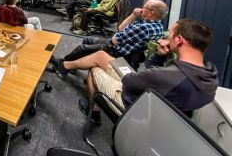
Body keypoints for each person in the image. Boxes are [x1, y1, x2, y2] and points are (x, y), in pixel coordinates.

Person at [66, 19, 218, 125]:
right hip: (159, 115)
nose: (167, 37)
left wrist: (155, 58)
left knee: (94, 69)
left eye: (170, 34)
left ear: (179, 39)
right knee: (101, 56)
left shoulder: (169, 76)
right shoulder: (210, 75)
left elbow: (129, 81)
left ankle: (94, 112)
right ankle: (66, 65)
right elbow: (155, 80)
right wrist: (159, 56)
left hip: (133, 105)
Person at [51, 0, 168, 77]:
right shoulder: (157, 26)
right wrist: (133, 15)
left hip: (117, 50)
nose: (141, 8)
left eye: (145, 7)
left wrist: (117, 36)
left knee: (83, 47)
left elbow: (116, 38)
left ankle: (63, 65)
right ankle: (72, 64)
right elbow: (122, 28)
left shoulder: (144, 27)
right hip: (122, 45)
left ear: (152, 12)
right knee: (88, 39)